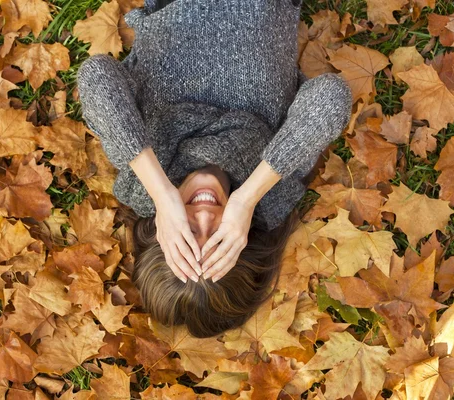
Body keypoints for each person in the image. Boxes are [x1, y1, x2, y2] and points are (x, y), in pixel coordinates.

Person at [76, 0, 352, 337]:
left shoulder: (144, 175)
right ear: (240, 241)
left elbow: (96, 76)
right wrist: (247, 198)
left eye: (188, 234)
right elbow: (331, 97)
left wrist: (163, 195)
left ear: (163, 233)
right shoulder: (269, 193)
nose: (204, 217)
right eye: (217, 239)